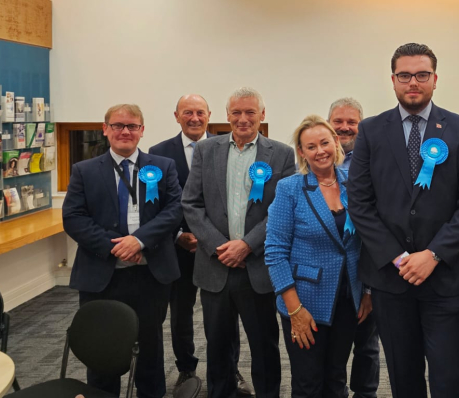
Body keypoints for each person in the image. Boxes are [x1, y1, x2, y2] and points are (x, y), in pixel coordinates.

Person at [348, 43, 459, 398]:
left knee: (449, 377)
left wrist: (433, 254)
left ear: (435, 79)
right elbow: (360, 203)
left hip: (445, 276)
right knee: (403, 377)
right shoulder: (371, 130)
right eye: (405, 75)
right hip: (390, 279)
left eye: (422, 75)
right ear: (393, 80)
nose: (414, 82)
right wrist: (399, 257)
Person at [182, 87, 295, 398]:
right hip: (214, 267)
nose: (243, 119)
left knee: (264, 346)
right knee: (218, 346)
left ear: (262, 114)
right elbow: (190, 203)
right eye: (236, 113)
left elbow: (283, 209)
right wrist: (221, 247)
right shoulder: (206, 150)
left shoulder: (282, 154)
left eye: (250, 112)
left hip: (257, 268)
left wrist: (246, 245)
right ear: (227, 115)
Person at [63, 104, 181, 398]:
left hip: (150, 275)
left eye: (132, 126)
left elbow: (174, 210)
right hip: (102, 276)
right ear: (105, 130)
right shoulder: (84, 170)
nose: (125, 131)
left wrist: (139, 241)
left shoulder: (163, 166)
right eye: (118, 125)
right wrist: (115, 247)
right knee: (103, 349)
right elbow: (74, 218)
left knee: (150, 348)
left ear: (142, 131)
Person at [148, 94, 253, 396]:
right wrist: (179, 234)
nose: (194, 118)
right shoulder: (159, 152)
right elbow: (161, 203)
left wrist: (216, 240)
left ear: (209, 115)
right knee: (181, 314)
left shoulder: (226, 147)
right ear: (176, 115)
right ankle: (186, 370)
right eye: (187, 112)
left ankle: (230, 368)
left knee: (224, 315)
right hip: (180, 249)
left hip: (220, 249)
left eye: (200, 112)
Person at [266, 115, 372, 397]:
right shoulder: (290, 188)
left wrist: (369, 291)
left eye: (325, 142)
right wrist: (295, 310)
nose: (320, 151)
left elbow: (372, 241)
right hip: (304, 302)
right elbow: (275, 252)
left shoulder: (358, 182)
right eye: (310, 146)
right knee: (308, 382)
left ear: (336, 142)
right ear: (301, 152)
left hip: (349, 299)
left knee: (337, 378)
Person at [328, 97, 380, 398]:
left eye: (352, 122)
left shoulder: (375, 160)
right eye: (339, 121)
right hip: (328, 275)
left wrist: (371, 288)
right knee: (333, 349)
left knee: (367, 346)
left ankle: (366, 394)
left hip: (365, 270)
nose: (345, 128)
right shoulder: (316, 160)